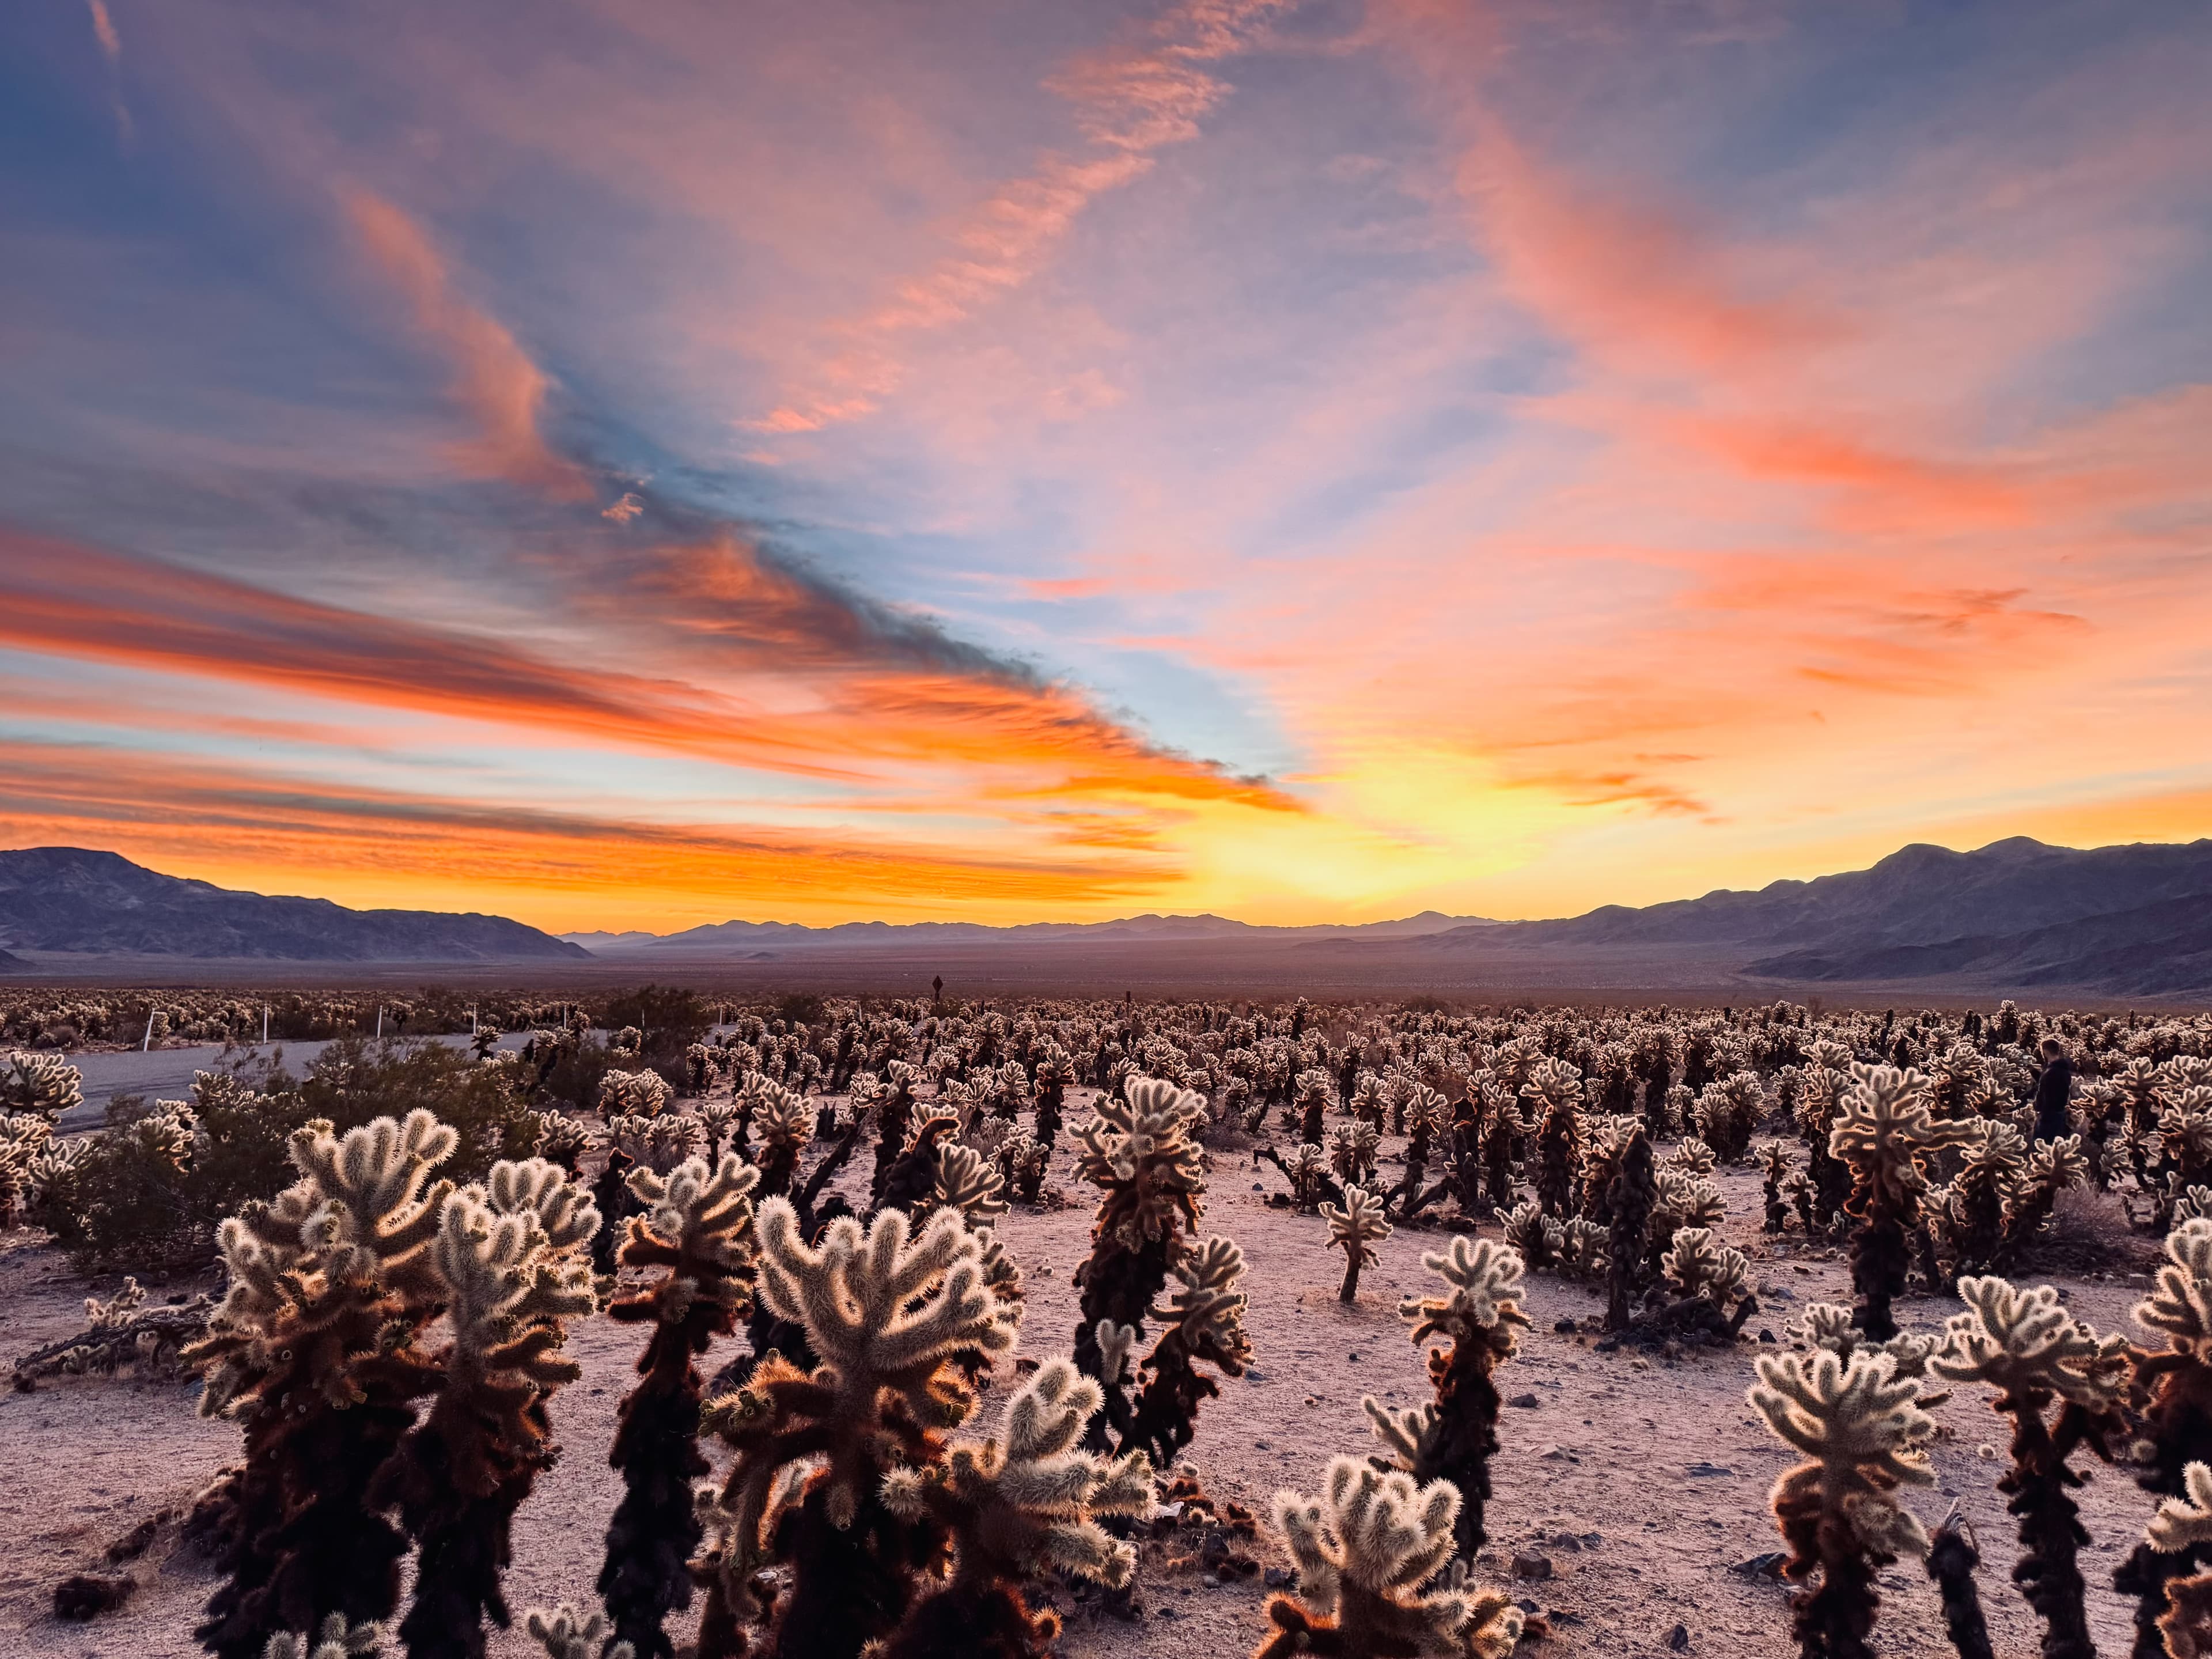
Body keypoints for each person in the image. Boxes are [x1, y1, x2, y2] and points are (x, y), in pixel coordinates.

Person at [2031, 1035, 2074, 1144]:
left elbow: (2049, 1090)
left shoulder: (2053, 1071)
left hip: (2049, 1115)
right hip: (2056, 1113)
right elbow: (2047, 1084)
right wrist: (2033, 1071)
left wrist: (2042, 1108)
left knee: (2042, 1146)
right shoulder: (2059, 1069)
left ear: (2045, 1051)